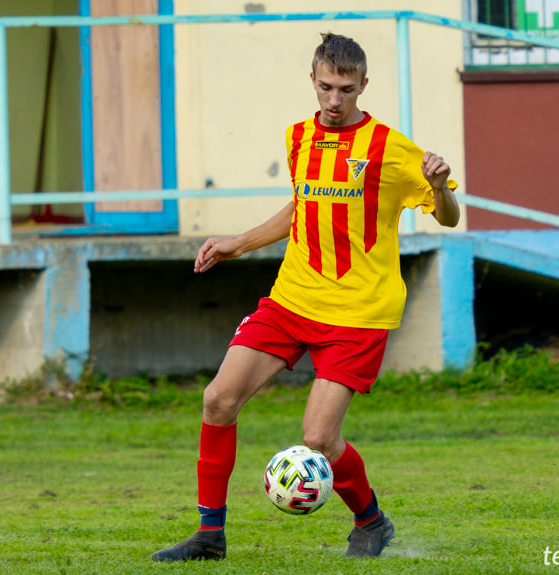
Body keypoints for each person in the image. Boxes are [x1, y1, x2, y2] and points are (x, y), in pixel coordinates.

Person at [152, 32, 460, 562]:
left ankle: (371, 521)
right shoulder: (299, 137)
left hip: (359, 312)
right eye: (325, 87)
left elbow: (448, 217)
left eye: (345, 89)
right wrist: (237, 244)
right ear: (312, 82)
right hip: (293, 298)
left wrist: (439, 186)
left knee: (317, 437)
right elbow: (302, 206)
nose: (334, 101)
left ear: (364, 85)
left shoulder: (390, 147)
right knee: (218, 400)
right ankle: (209, 535)